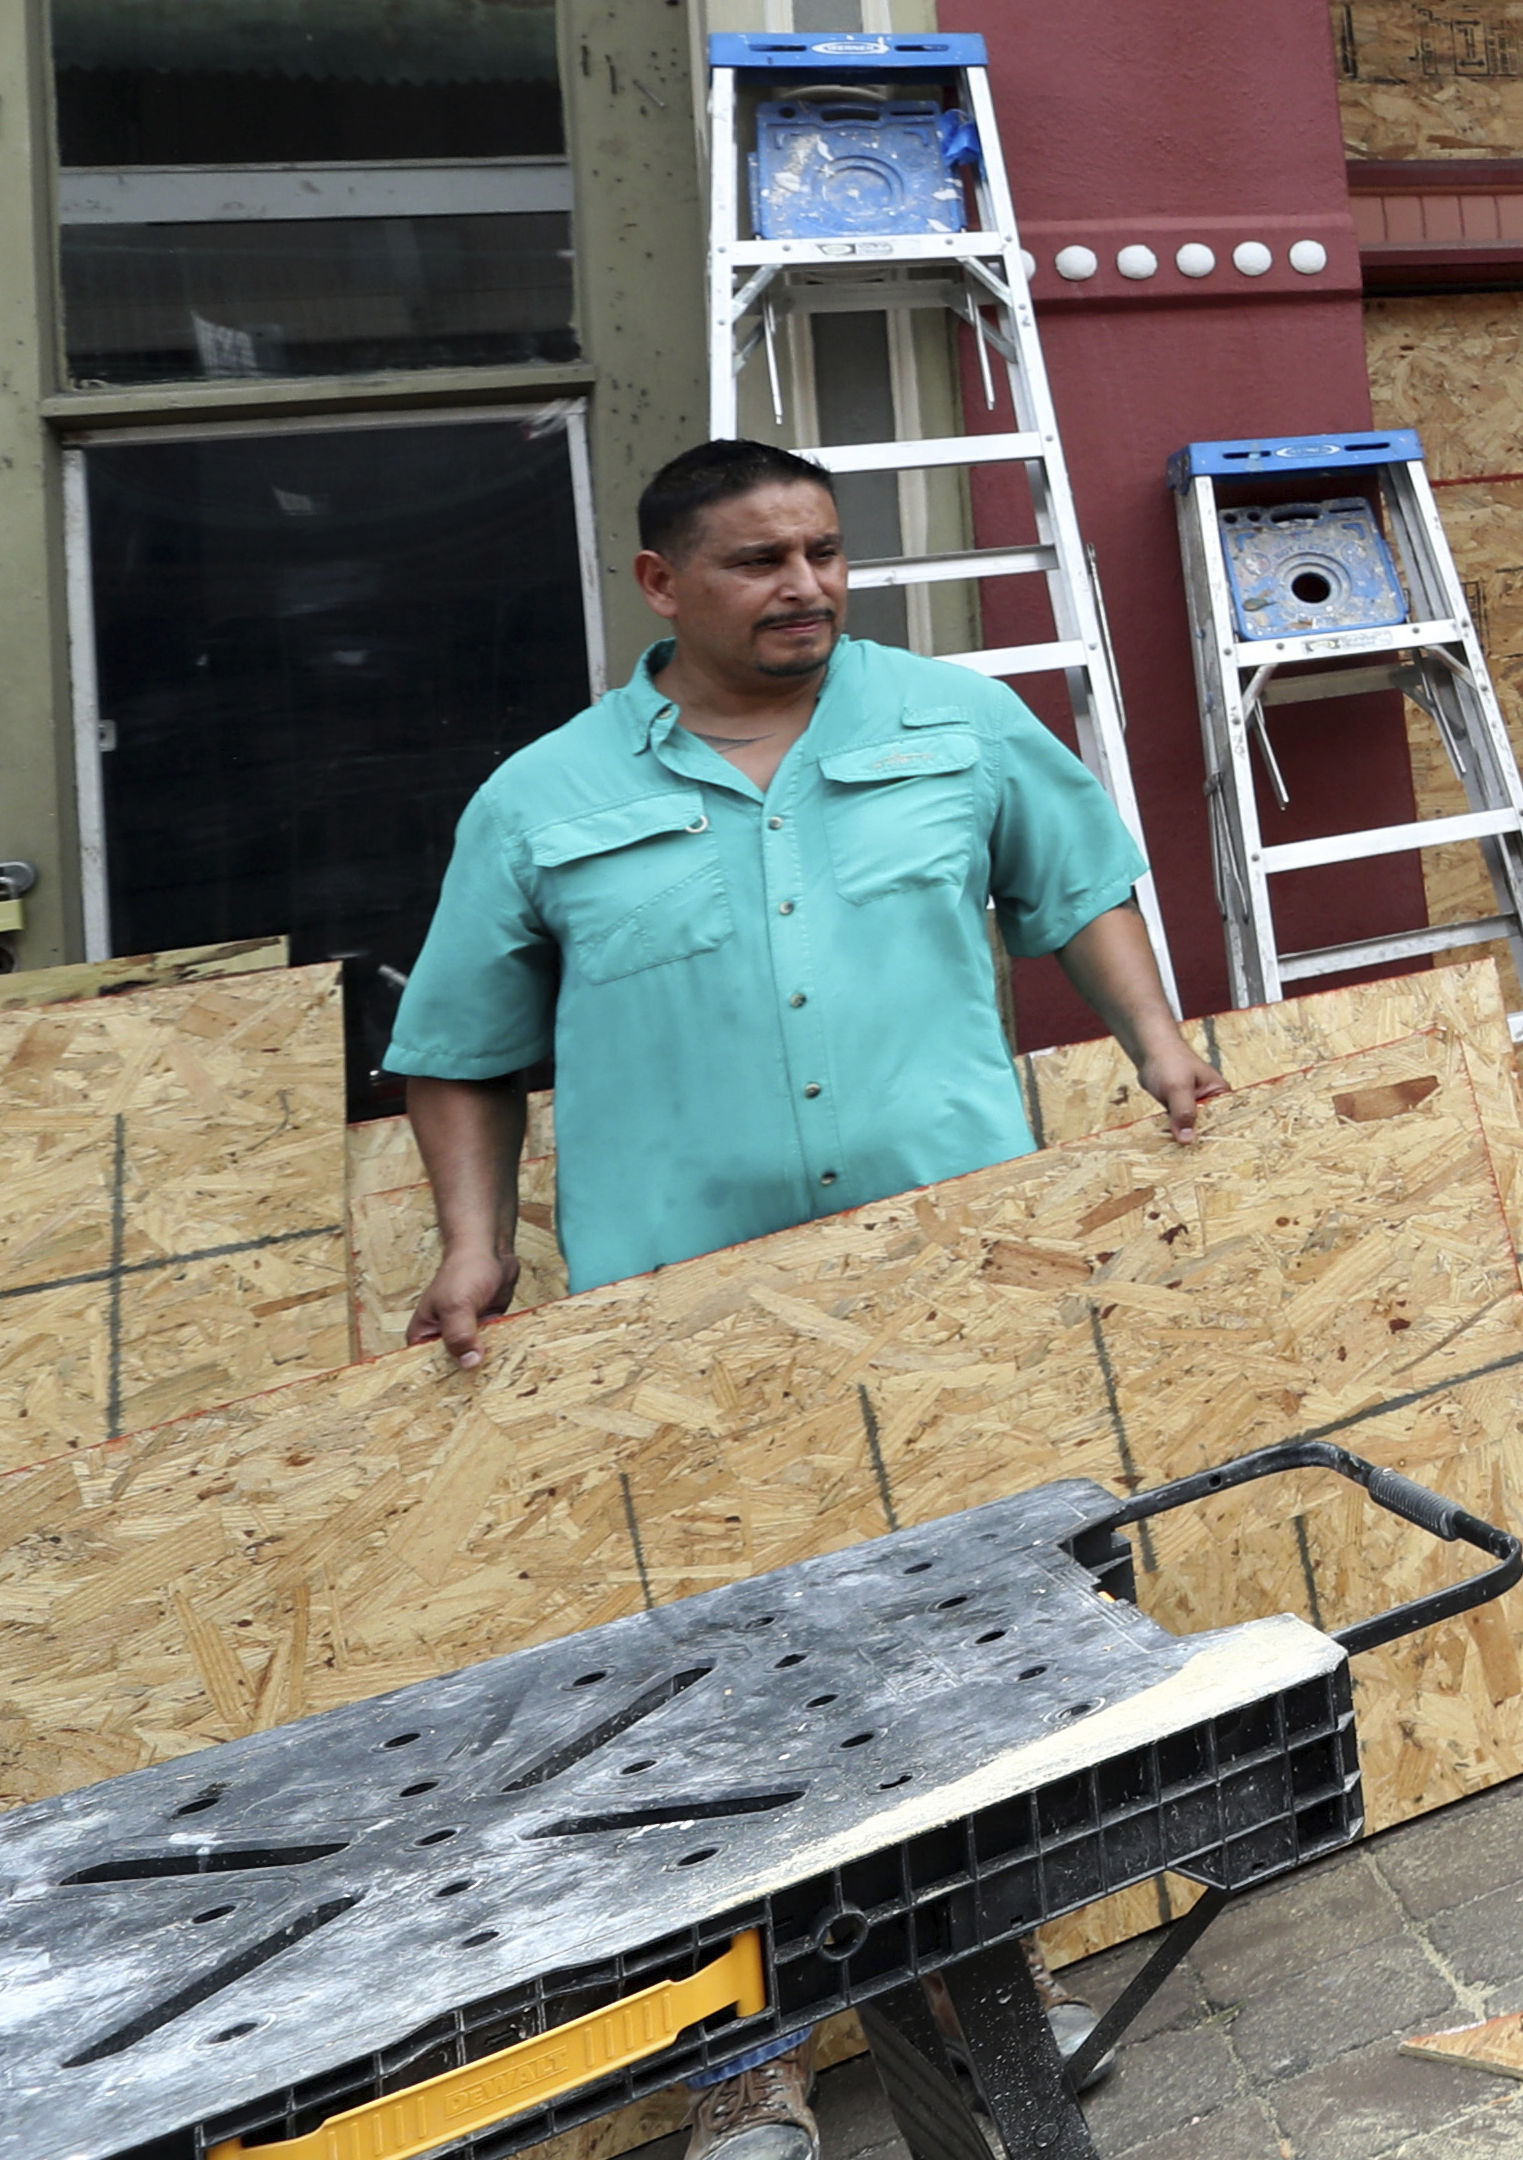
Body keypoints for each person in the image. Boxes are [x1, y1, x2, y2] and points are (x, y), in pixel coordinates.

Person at [387, 437, 1223, 2160]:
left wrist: (1159, 1047)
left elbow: (1079, 881)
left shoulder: (951, 720)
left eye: (829, 552)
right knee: (715, 1692)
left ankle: (982, 1988)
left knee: (979, 1649)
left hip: (947, 1281)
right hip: (686, 1331)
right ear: (661, 585)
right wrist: (473, 1243)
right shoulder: (540, 799)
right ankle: (742, 2058)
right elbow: (459, 1047)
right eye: (762, 560)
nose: (810, 588)